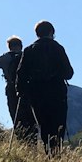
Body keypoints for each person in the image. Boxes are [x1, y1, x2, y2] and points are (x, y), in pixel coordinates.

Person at [16, 21, 74, 152]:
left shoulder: (29, 50)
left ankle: (48, 152)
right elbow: (69, 73)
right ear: (51, 32)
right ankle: (56, 154)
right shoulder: (57, 48)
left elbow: (21, 73)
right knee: (58, 124)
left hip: (36, 94)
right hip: (57, 92)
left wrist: (20, 91)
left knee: (44, 125)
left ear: (37, 34)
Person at [0, 36, 35, 136]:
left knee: (16, 118)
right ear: (21, 46)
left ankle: (21, 141)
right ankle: (33, 142)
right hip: (29, 91)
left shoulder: (5, 58)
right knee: (31, 119)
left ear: (9, 46)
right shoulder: (28, 56)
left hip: (12, 90)